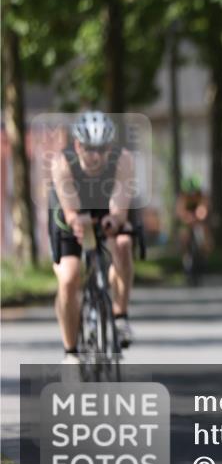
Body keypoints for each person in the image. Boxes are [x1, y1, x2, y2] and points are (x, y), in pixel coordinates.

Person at [48, 111, 137, 362]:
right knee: (69, 278)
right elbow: (71, 212)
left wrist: (114, 220)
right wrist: (78, 221)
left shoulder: (123, 160)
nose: (95, 155)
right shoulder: (61, 162)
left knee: (123, 243)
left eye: (102, 148)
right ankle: (71, 352)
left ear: (110, 146)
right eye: (89, 148)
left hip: (104, 208)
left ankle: (120, 316)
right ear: (77, 145)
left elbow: (119, 206)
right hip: (68, 214)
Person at [175, 175, 212, 273]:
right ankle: (186, 257)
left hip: (198, 220)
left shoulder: (202, 195)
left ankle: (204, 254)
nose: (192, 195)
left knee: (204, 234)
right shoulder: (182, 197)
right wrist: (186, 218)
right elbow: (180, 211)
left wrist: (199, 216)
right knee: (183, 235)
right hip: (187, 221)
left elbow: (203, 209)